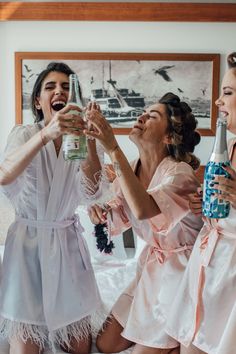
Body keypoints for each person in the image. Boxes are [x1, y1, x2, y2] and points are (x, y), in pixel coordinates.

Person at [86, 92, 203, 354]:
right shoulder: (132, 168)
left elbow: (142, 209)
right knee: (105, 343)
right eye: (144, 112)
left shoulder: (180, 174)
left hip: (182, 275)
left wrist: (112, 147)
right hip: (151, 267)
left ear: (169, 137)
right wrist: (102, 214)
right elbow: (122, 213)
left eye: (153, 116)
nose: (141, 117)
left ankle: (176, 343)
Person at [0, 62, 104, 354]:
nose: (59, 91)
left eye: (66, 87)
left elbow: (93, 191)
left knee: (79, 346)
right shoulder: (23, 134)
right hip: (26, 252)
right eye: (50, 87)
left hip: (67, 247)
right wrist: (47, 133)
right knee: (24, 347)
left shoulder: (79, 142)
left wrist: (91, 140)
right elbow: (4, 174)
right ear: (38, 101)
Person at [166, 52, 236, 354]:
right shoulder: (230, 146)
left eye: (228, 93)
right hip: (207, 260)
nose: (219, 102)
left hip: (231, 277)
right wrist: (203, 209)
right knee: (189, 344)